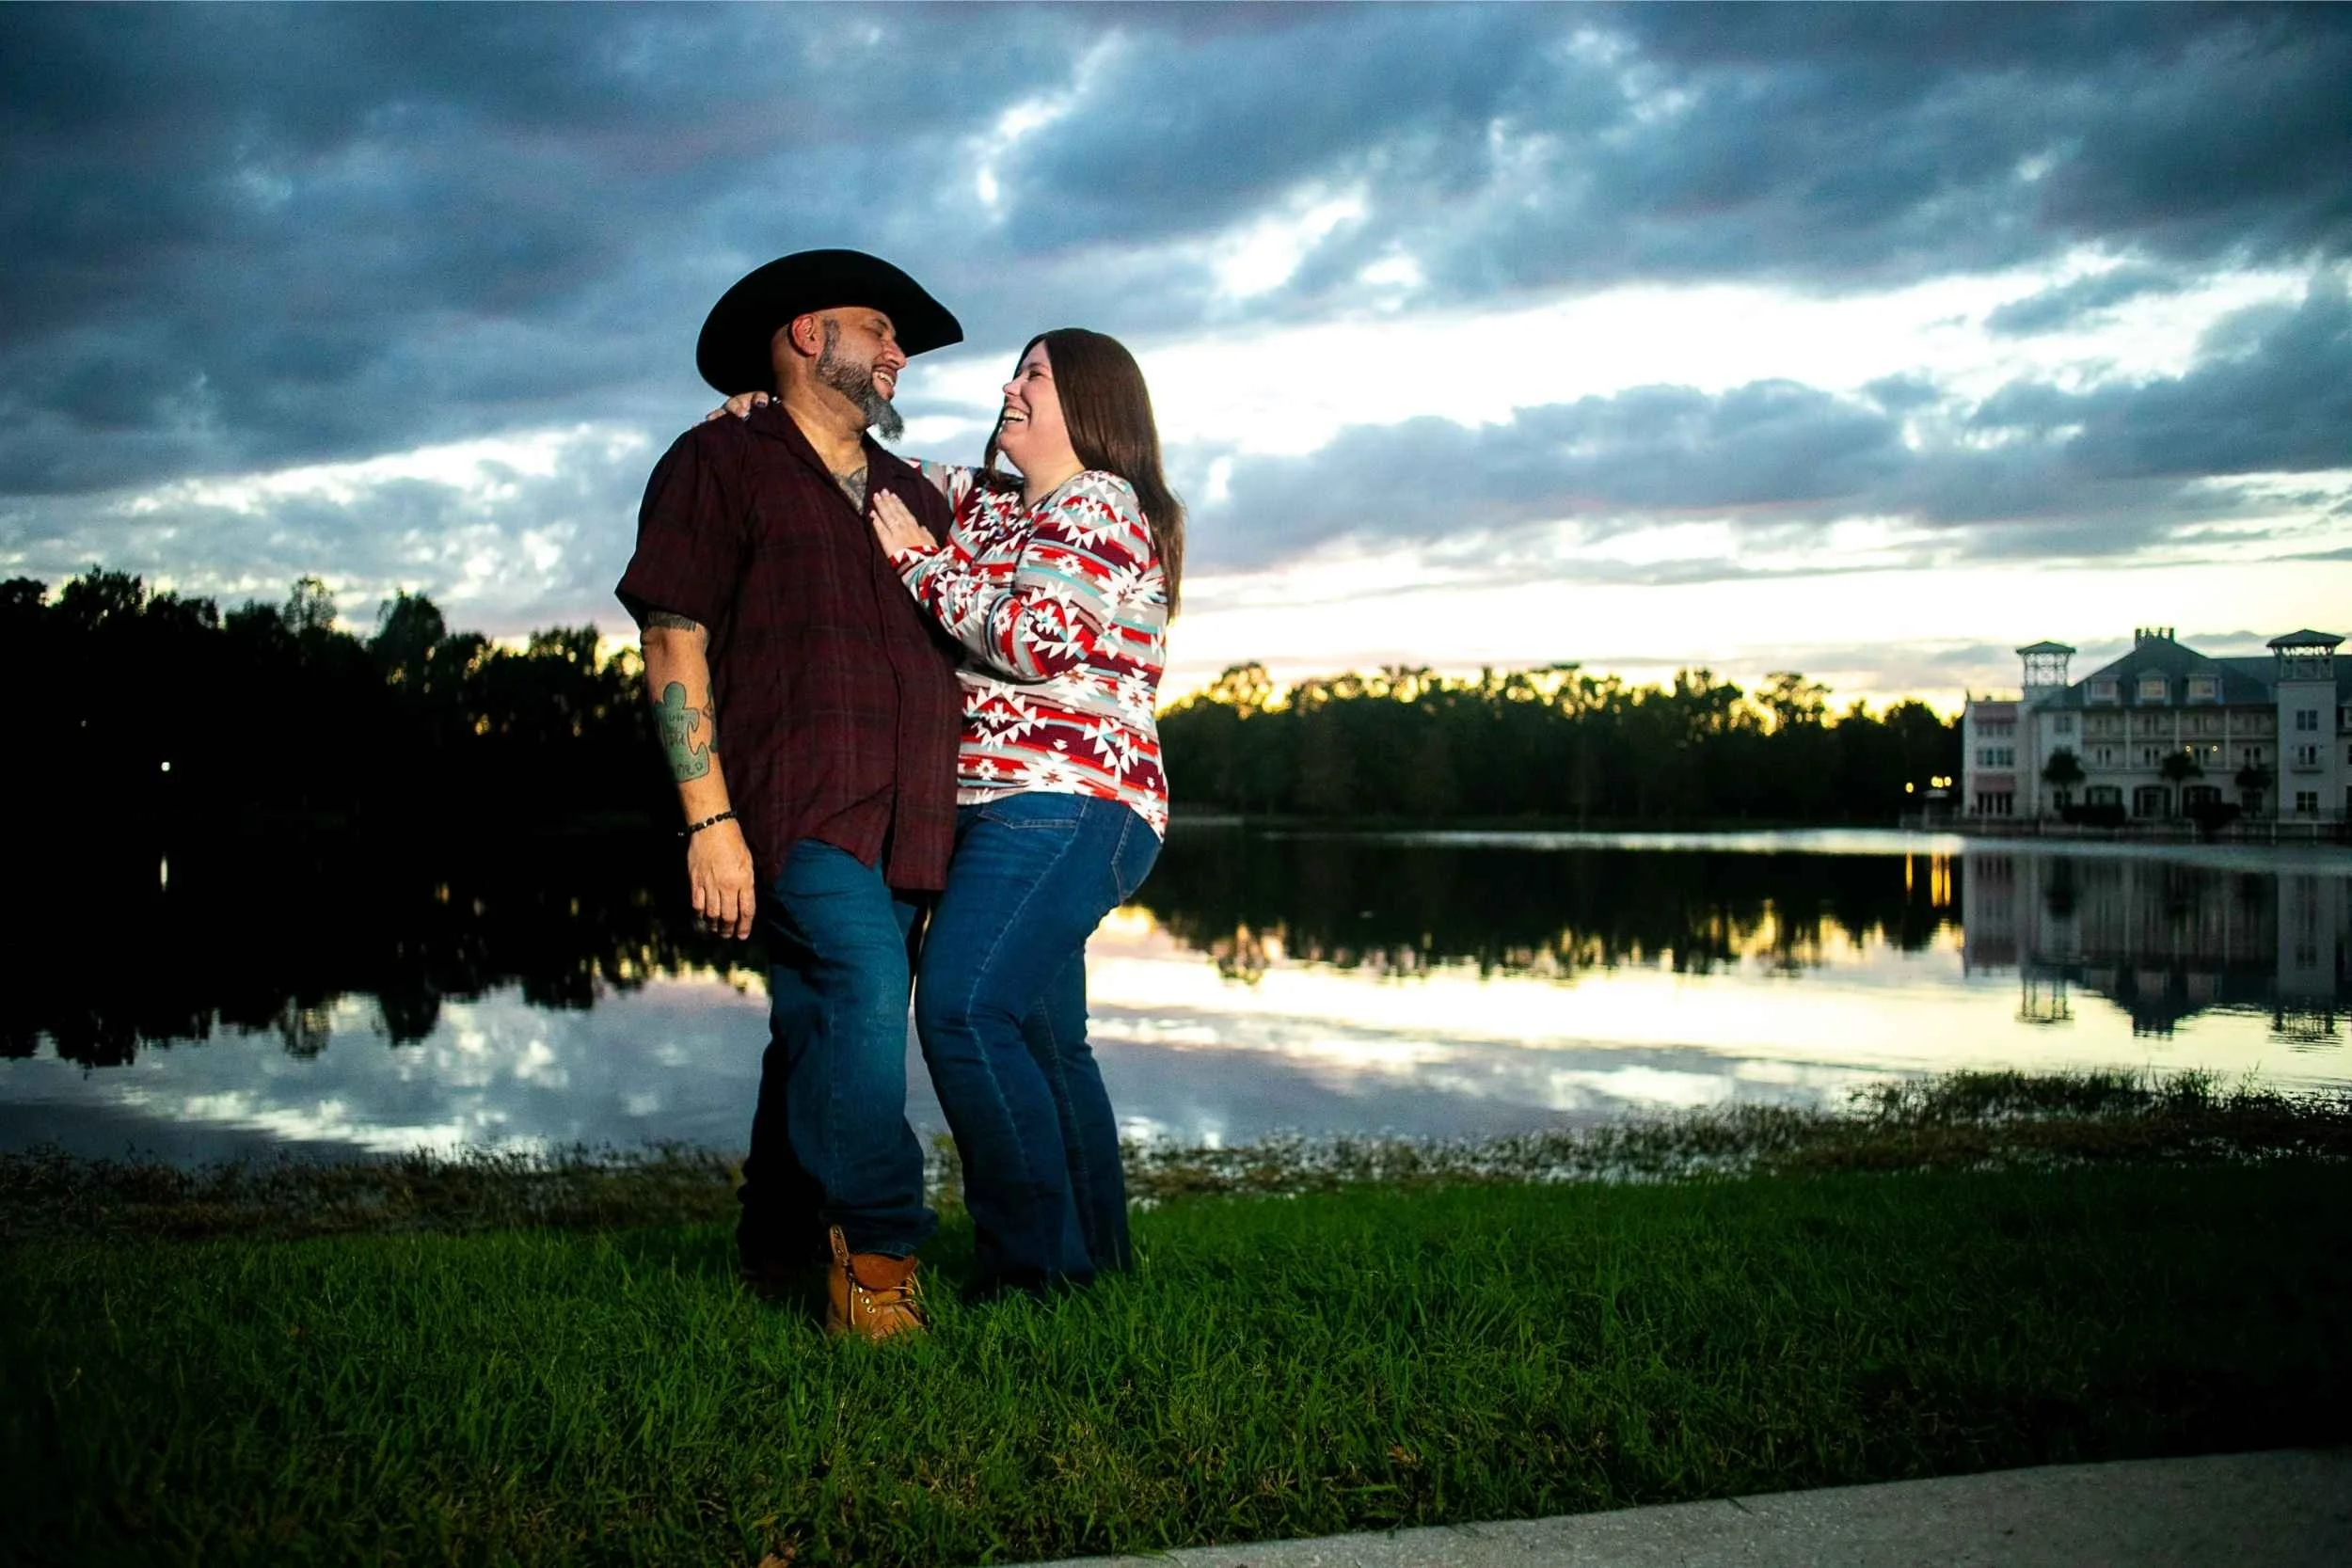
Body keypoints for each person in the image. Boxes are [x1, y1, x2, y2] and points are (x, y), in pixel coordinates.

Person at [727, 328, 1183, 1299]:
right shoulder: (993, 502)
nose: (1008, 388)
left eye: (1034, 376)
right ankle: (1096, 1268)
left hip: (1069, 802)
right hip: (998, 807)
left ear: (1091, 407)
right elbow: (862, 468)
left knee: (964, 1008)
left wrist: (916, 567)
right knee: (1048, 1040)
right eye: (1014, 370)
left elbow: (1034, 634)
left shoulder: (1100, 501)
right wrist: (767, 417)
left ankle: (1032, 1275)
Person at [616, 249, 966, 1340]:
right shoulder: (720, 459)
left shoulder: (917, 493)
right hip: (794, 808)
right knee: (861, 989)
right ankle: (877, 1259)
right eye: (883, 329)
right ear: (808, 334)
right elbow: (674, 637)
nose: (901, 353)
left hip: (912, 819)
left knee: (816, 1022)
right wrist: (708, 820)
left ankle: (773, 1244)